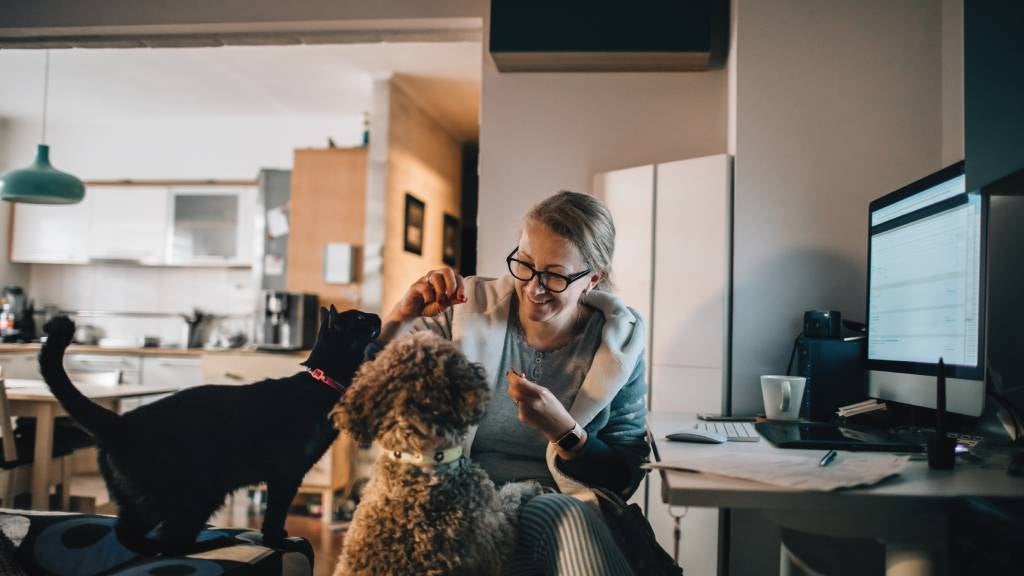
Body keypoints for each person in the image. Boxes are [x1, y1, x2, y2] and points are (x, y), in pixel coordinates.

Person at [378, 191, 649, 575]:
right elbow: (366, 387)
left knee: (562, 513)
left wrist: (566, 433)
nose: (534, 288)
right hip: (455, 500)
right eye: (524, 264)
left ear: (594, 278)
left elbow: (623, 478)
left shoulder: (619, 346)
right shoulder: (463, 310)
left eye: (554, 276)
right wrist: (402, 314)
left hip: (558, 509)